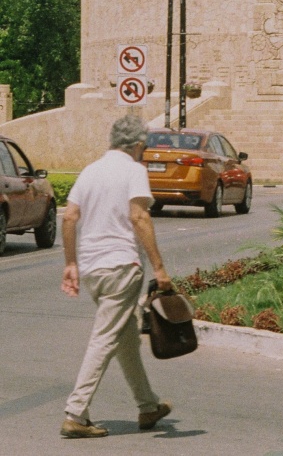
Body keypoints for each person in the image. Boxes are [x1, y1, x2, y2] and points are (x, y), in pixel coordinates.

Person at [60, 114, 173, 439]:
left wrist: (71, 262)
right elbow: (139, 216)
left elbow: (70, 217)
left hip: (93, 268)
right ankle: (76, 413)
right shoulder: (134, 170)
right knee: (105, 338)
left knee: (124, 340)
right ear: (138, 145)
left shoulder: (91, 170)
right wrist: (160, 268)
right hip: (122, 266)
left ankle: (148, 405)